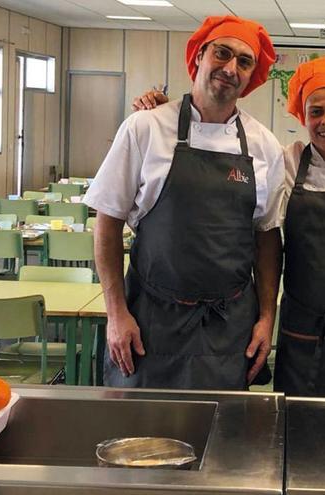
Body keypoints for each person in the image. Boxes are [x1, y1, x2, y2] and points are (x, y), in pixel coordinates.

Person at [133, 55, 325, 398]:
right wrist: (162, 112)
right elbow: (263, 229)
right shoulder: (285, 159)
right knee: (297, 426)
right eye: (315, 111)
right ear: (303, 116)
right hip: (301, 326)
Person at [84, 15, 285, 390]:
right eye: (222, 53)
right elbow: (106, 222)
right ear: (198, 57)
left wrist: (266, 316)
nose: (230, 68)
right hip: (148, 322)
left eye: (244, 61)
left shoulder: (264, 146)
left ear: (251, 76)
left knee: (223, 437)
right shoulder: (145, 128)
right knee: (141, 437)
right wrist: (116, 313)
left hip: (229, 328)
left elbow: (267, 237)